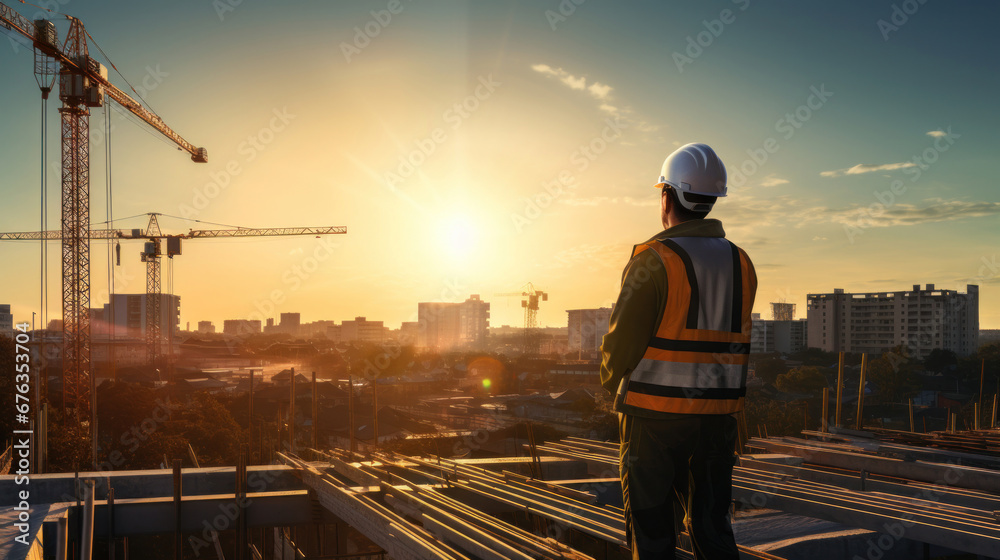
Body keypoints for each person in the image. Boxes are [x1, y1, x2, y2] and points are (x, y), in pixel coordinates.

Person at [600, 142, 757, 559]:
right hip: (718, 419)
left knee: (653, 529)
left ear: (667, 196)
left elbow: (620, 344)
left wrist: (611, 383)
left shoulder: (654, 259)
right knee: (712, 526)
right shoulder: (741, 261)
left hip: (654, 415)